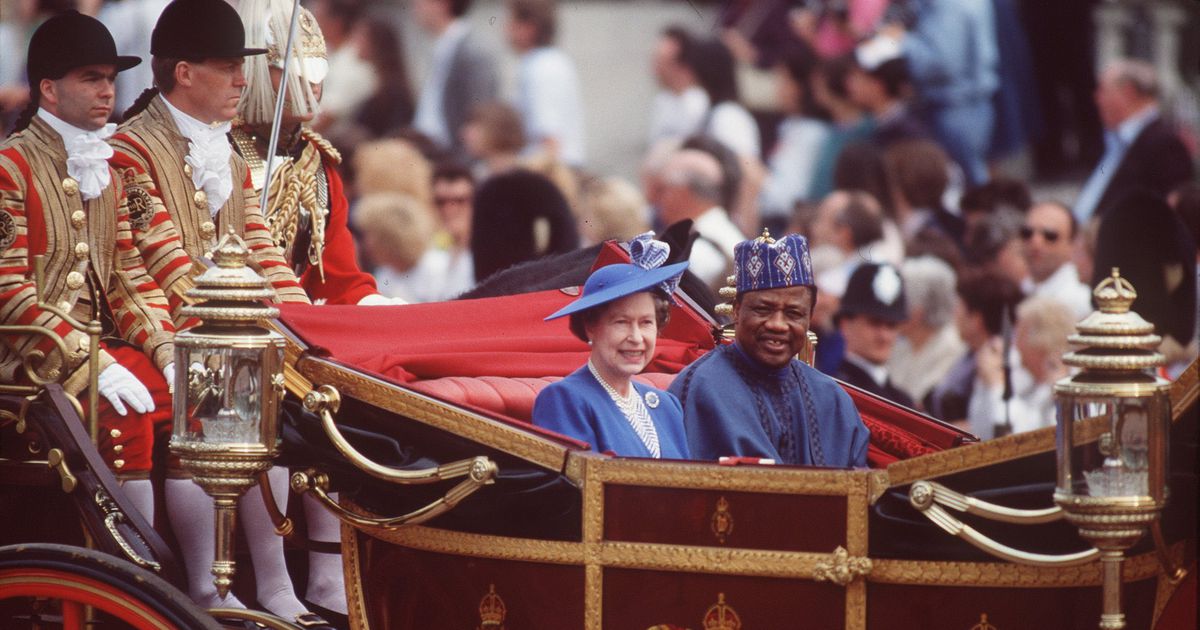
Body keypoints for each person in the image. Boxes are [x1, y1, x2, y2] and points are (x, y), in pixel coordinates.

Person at [106, 1, 315, 620]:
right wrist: (238, 328)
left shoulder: (226, 152)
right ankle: (208, 587)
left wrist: (312, 328)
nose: (242, 82)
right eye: (228, 68)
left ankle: (289, 584)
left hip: (230, 323)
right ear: (185, 74)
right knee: (230, 384)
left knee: (312, 385)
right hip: (163, 328)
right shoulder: (130, 150)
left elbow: (261, 249)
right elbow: (162, 260)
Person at [1, 10, 175, 532]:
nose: (107, 91)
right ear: (49, 90)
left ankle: (209, 586)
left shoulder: (106, 167)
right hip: (25, 359)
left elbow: (128, 279)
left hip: (101, 348)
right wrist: (85, 359)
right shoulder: (11, 168)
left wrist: (168, 351)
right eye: (91, 78)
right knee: (125, 418)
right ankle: (136, 581)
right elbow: (8, 289)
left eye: (110, 78)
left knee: (202, 404)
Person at [232, 0, 393, 306]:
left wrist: (379, 307)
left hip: (298, 320)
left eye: (317, 70)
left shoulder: (320, 165)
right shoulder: (222, 152)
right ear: (259, 72)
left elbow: (339, 281)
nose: (313, 84)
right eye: (296, 71)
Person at [670, 232, 869, 467]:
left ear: (809, 318)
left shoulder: (832, 400)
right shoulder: (700, 387)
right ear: (736, 310)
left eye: (793, 314)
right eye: (763, 310)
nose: (777, 324)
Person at [533, 236, 690, 458]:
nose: (636, 337)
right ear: (590, 327)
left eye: (646, 322)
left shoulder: (667, 406)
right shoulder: (566, 400)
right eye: (621, 323)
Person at [1073, 59, 1193, 223]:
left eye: (1103, 90)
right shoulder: (1114, 140)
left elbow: (1167, 216)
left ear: (1128, 92)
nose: (1096, 98)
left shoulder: (1165, 144)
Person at [411, 0, 500, 157]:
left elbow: (479, 114)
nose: (415, 5)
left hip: (454, 160)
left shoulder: (473, 51)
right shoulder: (442, 47)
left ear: (442, 4)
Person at [506, 0, 586, 167]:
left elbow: (549, 141)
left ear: (529, 28)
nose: (505, 28)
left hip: (553, 172)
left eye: (511, 21)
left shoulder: (541, 67)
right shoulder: (551, 61)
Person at [657, 148, 745, 290]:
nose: (657, 201)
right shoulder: (726, 229)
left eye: (663, 191)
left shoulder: (697, 251)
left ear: (681, 193)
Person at [833, 262, 914, 408]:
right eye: (874, 323)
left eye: (892, 325)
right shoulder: (833, 393)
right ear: (845, 325)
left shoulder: (904, 401)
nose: (884, 336)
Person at [888, 256, 966, 407]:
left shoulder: (953, 349)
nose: (890, 310)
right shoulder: (902, 344)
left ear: (918, 311)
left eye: (898, 302)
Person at [1020, 201, 1091, 320]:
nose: (1036, 243)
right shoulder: (1021, 290)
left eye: (1050, 235)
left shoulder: (1080, 301)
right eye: (1027, 233)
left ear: (1072, 244)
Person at [647, 26, 708, 144]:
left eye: (660, 62)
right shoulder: (663, 100)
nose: (654, 70)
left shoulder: (697, 105)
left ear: (682, 66)